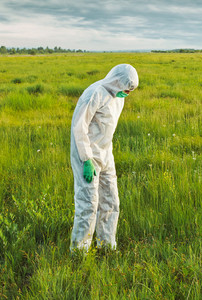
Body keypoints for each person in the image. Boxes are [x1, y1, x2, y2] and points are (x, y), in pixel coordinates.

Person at [70, 64, 138, 251]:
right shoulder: (94, 93)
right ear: (117, 81)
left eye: (130, 90)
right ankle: (79, 252)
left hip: (106, 154)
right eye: (126, 89)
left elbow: (106, 128)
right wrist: (86, 158)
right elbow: (79, 126)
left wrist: (107, 154)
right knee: (88, 204)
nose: (127, 93)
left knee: (111, 201)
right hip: (87, 155)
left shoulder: (118, 97)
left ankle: (106, 246)